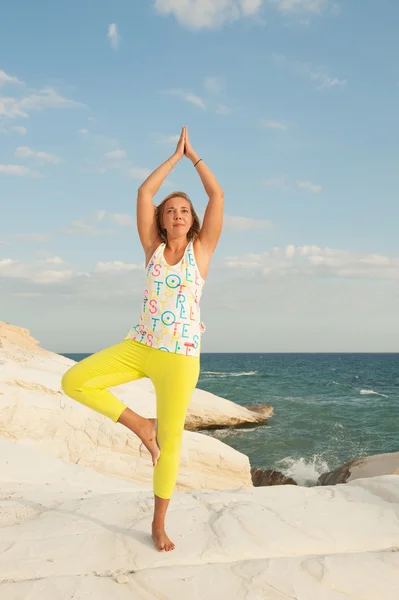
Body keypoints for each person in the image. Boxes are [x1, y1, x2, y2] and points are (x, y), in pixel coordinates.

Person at [61, 126, 224, 552]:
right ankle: (140, 425)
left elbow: (218, 197)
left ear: (193, 220)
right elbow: (142, 191)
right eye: (170, 210)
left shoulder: (201, 251)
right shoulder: (151, 247)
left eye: (184, 210)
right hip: (139, 345)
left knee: (171, 444)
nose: (177, 215)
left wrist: (195, 157)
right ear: (161, 219)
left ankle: (158, 524)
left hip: (179, 357)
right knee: (74, 381)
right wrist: (173, 157)